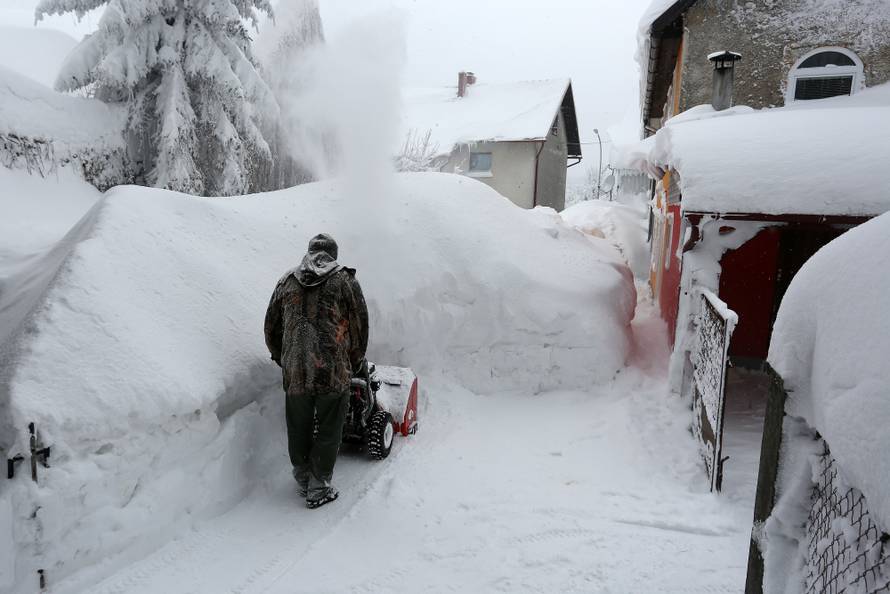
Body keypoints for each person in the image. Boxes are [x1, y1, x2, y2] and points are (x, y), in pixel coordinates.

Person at [264, 233, 369, 509]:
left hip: (295, 372)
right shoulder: (345, 281)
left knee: (298, 425)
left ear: (309, 251)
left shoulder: (287, 281)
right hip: (332, 372)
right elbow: (359, 327)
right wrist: (355, 361)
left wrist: (284, 358)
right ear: (334, 254)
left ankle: (302, 476)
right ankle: (318, 486)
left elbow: (271, 327)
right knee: (329, 427)